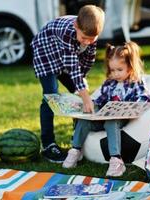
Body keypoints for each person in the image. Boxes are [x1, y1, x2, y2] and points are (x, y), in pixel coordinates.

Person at [62, 41, 150, 177]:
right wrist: (86, 106)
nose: (115, 74)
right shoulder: (109, 83)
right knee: (84, 119)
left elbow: (144, 98)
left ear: (131, 67)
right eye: (112, 70)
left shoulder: (136, 83)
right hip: (103, 117)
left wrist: (130, 108)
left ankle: (116, 159)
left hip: (120, 119)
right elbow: (98, 99)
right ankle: (75, 150)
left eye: (119, 70)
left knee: (111, 120)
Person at [30, 5, 105, 163]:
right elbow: (72, 67)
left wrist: (81, 88)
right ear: (76, 26)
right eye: (84, 38)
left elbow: (87, 62)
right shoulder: (67, 32)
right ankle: (49, 145)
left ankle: (77, 141)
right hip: (46, 51)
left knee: (78, 94)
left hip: (65, 54)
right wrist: (85, 97)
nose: (88, 42)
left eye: (92, 39)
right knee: (51, 97)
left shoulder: (90, 35)